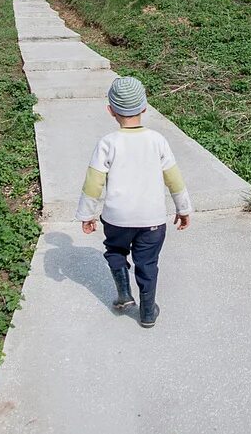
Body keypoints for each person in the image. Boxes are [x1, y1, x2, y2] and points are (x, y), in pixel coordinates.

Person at [75, 76, 192, 328]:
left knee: (115, 251)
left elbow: (93, 184)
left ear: (110, 111)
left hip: (116, 220)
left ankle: (125, 295)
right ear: (144, 107)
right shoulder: (158, 140)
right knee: (147, 263)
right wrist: (183, 209)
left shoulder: (107, 143)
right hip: (152, 220)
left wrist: (87, 214)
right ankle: (148, 311)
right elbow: (174, 179)